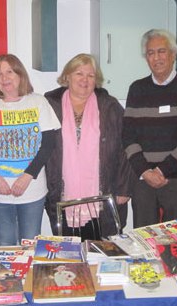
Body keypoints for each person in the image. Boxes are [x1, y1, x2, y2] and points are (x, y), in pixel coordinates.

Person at [45, 53, 132, 240]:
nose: (84, 80)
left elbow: (125, 148)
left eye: (90, 75)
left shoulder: (110, 107)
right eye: (79, 73)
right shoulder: (49, 105)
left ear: (96, 80)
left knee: (102, 251)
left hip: (102, 194)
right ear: (67, 76)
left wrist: (124, 188)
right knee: (70, 253)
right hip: (63, 195)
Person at [0, 54, 61, 246]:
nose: (4, 78)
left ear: (20, 75)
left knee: (30, 243)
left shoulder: (38, 102)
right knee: (5, 243)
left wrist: (27, 176)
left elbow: (48, 144)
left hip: (32, 188)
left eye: (10, 72)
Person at [123, 29, 177, 228]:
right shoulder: (137, 88)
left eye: (162, 51)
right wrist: (145, 171)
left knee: (176, 242)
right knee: (143, 240)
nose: (156, 57)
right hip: (143, 179)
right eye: (151, 53)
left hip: (176, 179)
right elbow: (128, 135)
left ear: (173, 54)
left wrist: (161, 170)